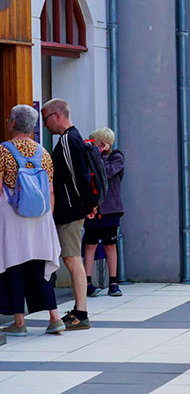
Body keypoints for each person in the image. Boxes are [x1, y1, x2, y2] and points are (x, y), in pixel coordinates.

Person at [0, 105, 65, 337]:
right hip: (40, 218)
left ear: (12, 123)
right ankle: (54, 317)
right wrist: (48, 218)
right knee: (40, 267)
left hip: (12, 218)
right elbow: (50, 190)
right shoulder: (43, 153)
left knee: (14, 265)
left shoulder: (3, 151)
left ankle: (19, 322)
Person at [41, 98, 95, 330]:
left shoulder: (66, 141)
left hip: (70, 210)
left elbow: (78, 176)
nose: (45, 125)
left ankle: (81, 313)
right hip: (74, 208)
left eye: (45, 119)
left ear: (57, 116)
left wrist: (88, 204)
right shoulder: (74, 138)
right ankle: (79, 310)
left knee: (73, 260)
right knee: (72, 259)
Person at [84, 128, 125, 298]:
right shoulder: (91, 157)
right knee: (90, 244)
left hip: (110, 209)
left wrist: (102, 155)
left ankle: (113, 283)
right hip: (93, 208)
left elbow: (107, 172)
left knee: (110, 245)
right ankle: (86, 282)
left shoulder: (116, 157)